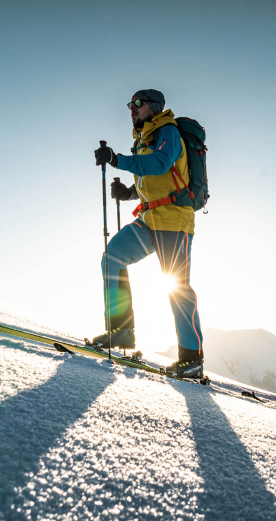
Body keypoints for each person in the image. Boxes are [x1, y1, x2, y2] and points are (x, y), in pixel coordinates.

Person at [92, 89, 204, 378]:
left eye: (138, 103)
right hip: (150, 218)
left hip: (175, 221)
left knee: (178, 287)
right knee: (112, 258)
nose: (132, 108)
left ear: (154, 107)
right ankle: (120, 331)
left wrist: (117, 160)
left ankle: (192, 358)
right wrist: (128, 193)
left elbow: (160, 164)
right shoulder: (143, 137)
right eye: (130, 104)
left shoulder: (168, 131)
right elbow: (153, 180)